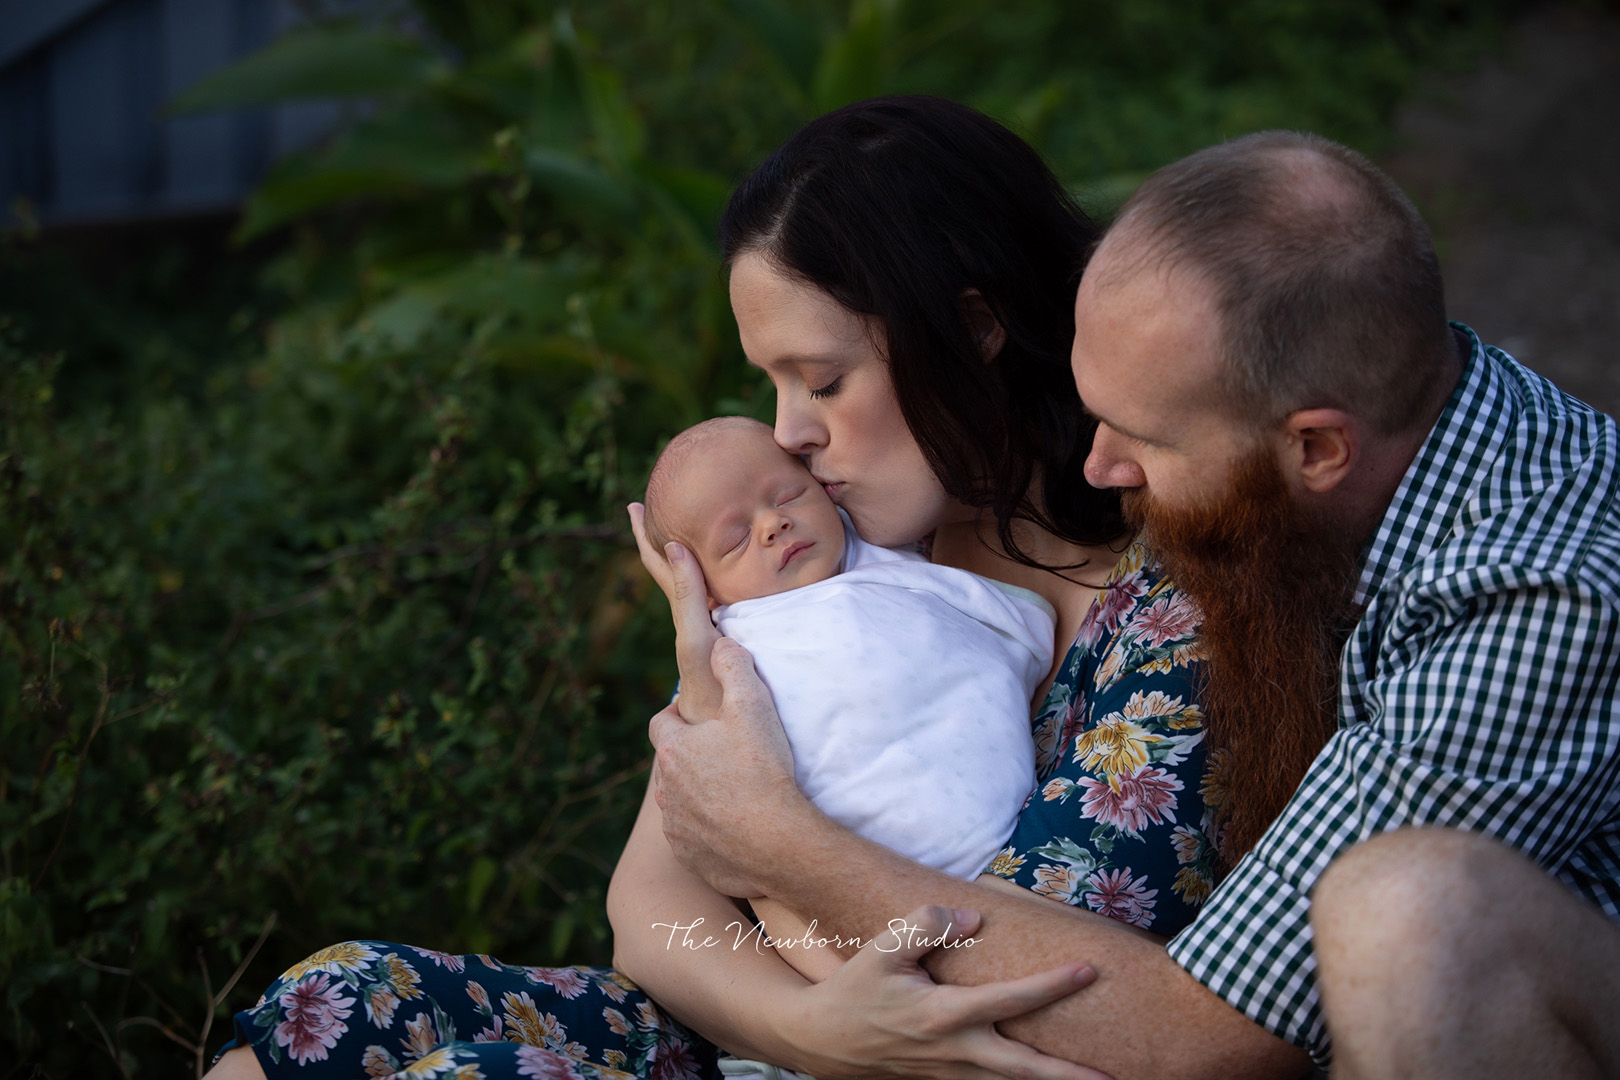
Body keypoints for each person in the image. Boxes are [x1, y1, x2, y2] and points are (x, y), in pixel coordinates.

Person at [207, 96, 1236, 1080]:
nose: (790, 432)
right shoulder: (829, 558)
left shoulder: (1172, 614)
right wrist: (809, 1029)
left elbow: (1119, 1005)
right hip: (775, 1039)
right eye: (775, 383)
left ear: (972, 330)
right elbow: (651, 902)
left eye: (824, 380)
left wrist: (786, 865)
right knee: (350, 994)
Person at [646, 128, 1620, 1079]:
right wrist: (807, 1027)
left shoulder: (1535, 601)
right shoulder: (877, 525)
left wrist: (783, 849)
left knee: (1408, 914)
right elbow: (659, 883)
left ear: (1317, 450)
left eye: (1144, 438)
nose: (1103, 466)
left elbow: (1227, 1028)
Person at [639, 414, 1055, 981]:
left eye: (789, 495)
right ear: (702, 587)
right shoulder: (729, 652)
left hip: (1004, 852)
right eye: (735, 539)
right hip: (860, 874)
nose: (773, 525)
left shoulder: (889, 549)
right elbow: (746, 850)